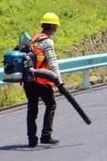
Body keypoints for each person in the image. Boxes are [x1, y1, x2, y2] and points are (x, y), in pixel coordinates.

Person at [24, 13, 64, 147]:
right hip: (41, 81)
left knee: (32, 108)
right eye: (56, 26)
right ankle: (46, 135)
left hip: (28, 80)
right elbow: (52, 63)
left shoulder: (34, 39)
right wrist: (59, 81)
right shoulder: (47, 41)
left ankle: (31, 139)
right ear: (52, 26)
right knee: (51, 104)